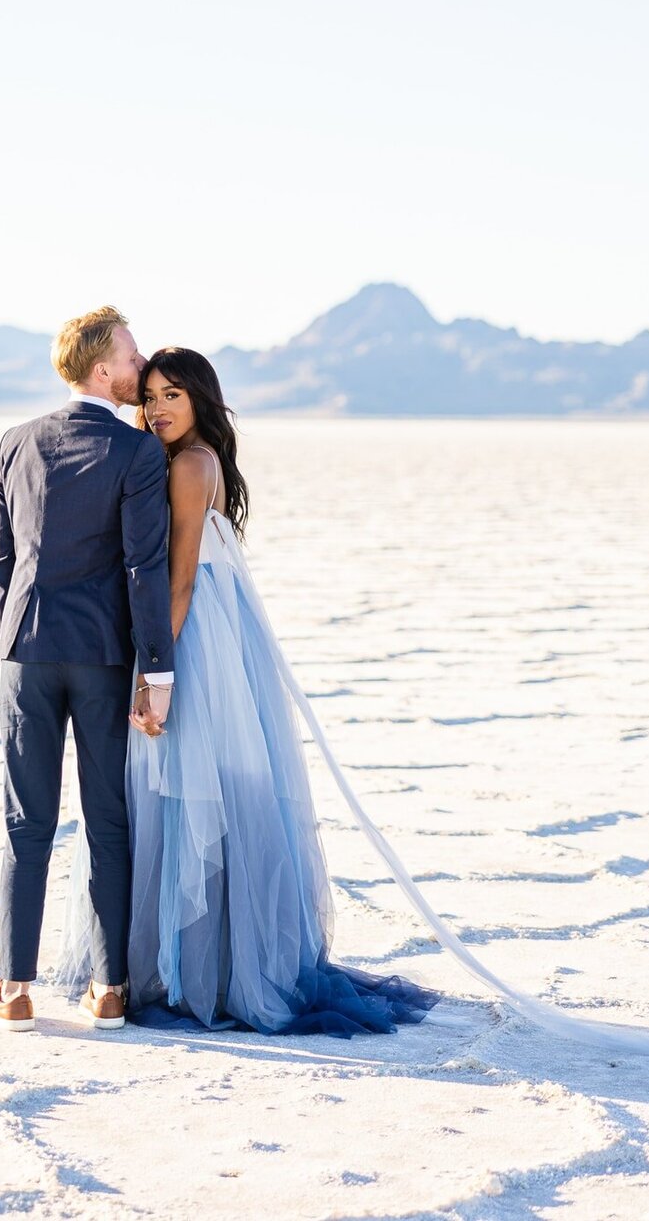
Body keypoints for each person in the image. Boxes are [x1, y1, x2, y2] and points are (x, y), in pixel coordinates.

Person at [58, 345, 439, 1035]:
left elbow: (175, 580)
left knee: (182, 790)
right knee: (187, 794)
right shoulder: (183, 461)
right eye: (149, 397)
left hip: (193, 640)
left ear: (201, 398)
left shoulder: (190, 466)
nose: (158, 408)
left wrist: (153, 672)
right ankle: (188, 961)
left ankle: (195, 969)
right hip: (208, 633)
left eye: (173, 395)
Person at [0, 307, 175, 1033]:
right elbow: (143, 568)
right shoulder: (136, 454)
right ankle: (109, 988)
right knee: (106, 821)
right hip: (103, 655)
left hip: (24, 651)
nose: (140, 366)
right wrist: (159, 671)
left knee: (26, 822)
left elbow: (1, 560)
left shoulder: (13, 442)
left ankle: (13, 988)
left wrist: (14, 634)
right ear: (100, 370)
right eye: (130, 356)